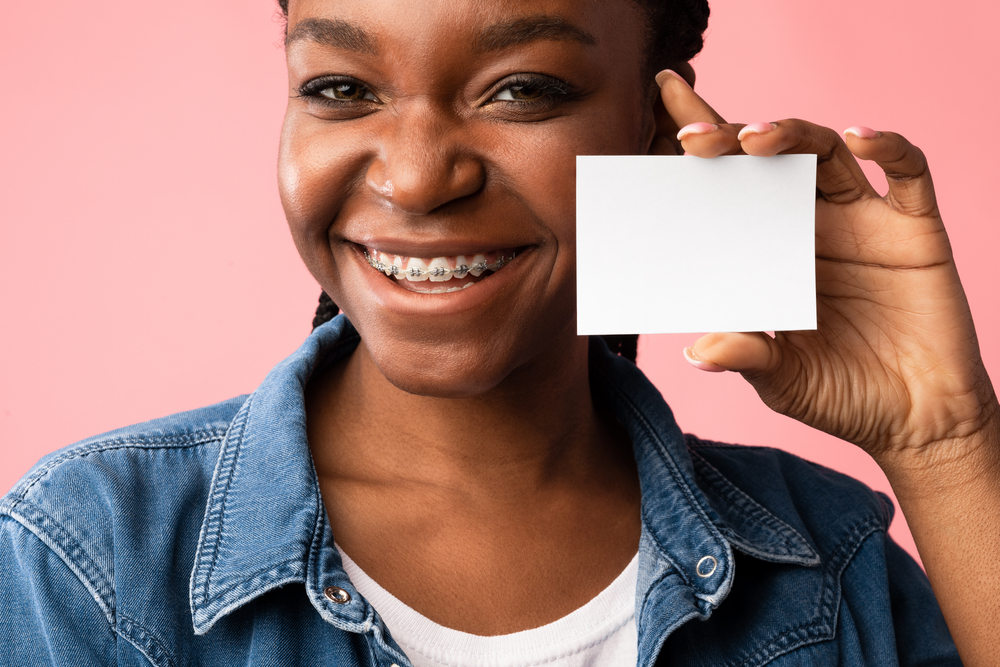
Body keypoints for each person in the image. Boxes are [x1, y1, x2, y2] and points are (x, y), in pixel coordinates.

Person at [1, 0, 997, 665]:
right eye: (342, 89)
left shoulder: (826, 555)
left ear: (661, 130)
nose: (418, 177)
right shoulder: (92, 553)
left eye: (522, 88)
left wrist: (946, 448)